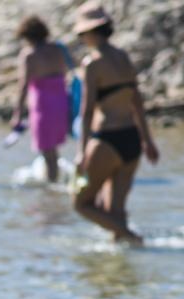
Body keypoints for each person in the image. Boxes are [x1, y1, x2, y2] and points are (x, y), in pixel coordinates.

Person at [73, 3, 158, 245]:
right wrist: (147, 141)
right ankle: (118, 275)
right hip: (132, 138)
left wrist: (81, 152)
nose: (81, 38)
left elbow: (87, 111)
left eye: (81, 34)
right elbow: (137, 102)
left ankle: (132, 238)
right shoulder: (123, 57)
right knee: (115, 211)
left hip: (107, 139)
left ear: (90, 32)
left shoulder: (92, 63)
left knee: (81, 204)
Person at [9, 16, 74, 182]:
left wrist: (17, 114)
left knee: (47, 151)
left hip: (42, 104)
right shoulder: (58, 49)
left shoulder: (29, 54)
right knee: (54, 149)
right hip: (61, 100)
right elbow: (68, 71)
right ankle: (55, 180)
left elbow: (23, 85)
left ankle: (51, 188)